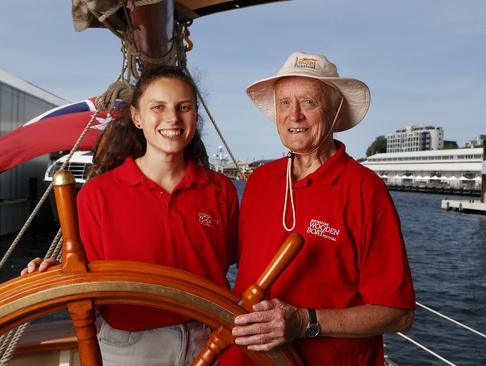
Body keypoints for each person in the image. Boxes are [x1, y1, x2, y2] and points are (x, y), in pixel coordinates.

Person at [22, 66, 239, 366]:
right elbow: (87, 272)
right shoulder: (97, 195)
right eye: (158, 107)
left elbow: (226, 258)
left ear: (195, 116)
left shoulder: (220, 190)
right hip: (131, 347)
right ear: (137, 117)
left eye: (184, 107)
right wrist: (55, 271)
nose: (173, 118)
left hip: (210, 340)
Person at [220, 52, 416, 365]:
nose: (293, 115)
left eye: (308, 102)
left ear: (335, 110)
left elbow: (398, 314)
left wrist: (305, 322)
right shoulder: (259, 181)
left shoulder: (364, 189)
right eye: (284, 103)